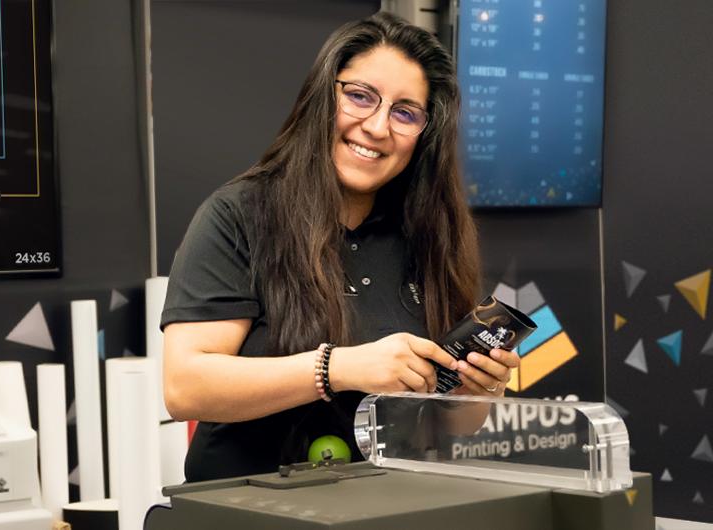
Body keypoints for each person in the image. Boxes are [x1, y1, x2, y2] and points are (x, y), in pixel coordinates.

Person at [160, 12, 520, 482]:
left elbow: (448, 423)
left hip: (383, 509)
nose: (377, 126)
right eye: (359, 97)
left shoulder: (433, 235)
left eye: (405, 112)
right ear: (322, 97)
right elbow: (186, 387)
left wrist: (479, 394)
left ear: (424, 135)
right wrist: (338, 368)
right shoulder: (240, 214)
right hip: (248, 509)